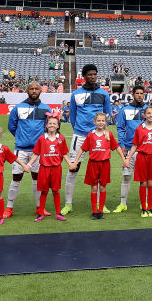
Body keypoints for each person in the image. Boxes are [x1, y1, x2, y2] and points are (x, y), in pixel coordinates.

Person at [63, 64, 111, 215]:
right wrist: (78, 130)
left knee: (100, 172)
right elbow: (73, 115)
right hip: (81, 135)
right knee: (73, 168)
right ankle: (68, 204)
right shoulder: (76, 93)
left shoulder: (104, 94)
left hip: (100, 136)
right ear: (84, 76)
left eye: (94, 74)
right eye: (89, 74)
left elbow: (107, 114)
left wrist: (102, 132)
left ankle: (100, 204)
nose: (92, 77)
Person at [5, 81, 51, 218]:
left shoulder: (46, 108)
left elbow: (48, 127)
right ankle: (9, 208)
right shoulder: (18, 108)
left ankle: (39, 208)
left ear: (41, 91)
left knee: (37, 179)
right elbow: (11, 126)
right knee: (16, 178)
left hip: (38, 151)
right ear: (27, 90)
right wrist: (21, 138)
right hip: (21, 149)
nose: (34, 91)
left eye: (37, 88)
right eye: (31, 89)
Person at [71, 112, 124, 219]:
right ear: (94, 122)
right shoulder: (91, 134)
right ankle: (94, 211)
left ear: (106, 122)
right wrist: (76, 161)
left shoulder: (108, 134)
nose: (100, 122)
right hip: (93, 164)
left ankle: (101, 211)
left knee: (103, 187)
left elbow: (116, 147)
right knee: (94, 187)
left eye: (103, 121)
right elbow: (83, 148)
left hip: (105, 164)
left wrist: (124, 159)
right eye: (98, 121)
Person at [114, 84, 149, 213]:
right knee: (126, 177)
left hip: (145, 150)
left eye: (141, 93)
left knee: (143, 179)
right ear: (133, 94)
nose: (139, 95)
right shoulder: (125, 110)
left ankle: (144, 203)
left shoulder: (148, 110)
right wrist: (122, 145)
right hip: (129, 148)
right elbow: (120, 128)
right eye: (137, 93)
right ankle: (123, 203)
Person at [31, 115, 70, 221]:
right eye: (50, 123)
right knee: (43, 191)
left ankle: (58, 213)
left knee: (55, 191)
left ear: (58, 126)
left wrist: (70, 164)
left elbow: (65, 153)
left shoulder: (61, 138)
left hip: (56, 168)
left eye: (54, 123)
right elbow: (36, 153)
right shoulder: (42, 138)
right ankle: (40, 213)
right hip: (44, 168)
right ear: (46, 125)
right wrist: (29, 164)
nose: (52, 125)